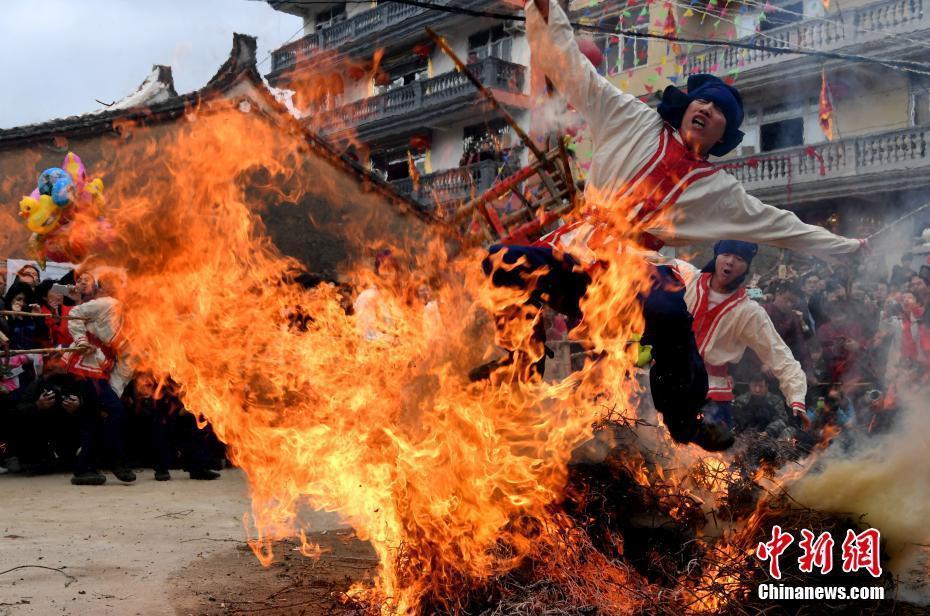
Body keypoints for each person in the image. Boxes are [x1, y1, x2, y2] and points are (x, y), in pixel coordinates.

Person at [477, 0, 866, 451]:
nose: (705, 108)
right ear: (685, 105)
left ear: (723, 135)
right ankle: (521, 368)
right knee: (498, 261)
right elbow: (571, 65)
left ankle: (683, 418)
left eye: (717, 110)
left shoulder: (718, 190)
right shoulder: (629, 116)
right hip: (575, 253)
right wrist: (544, 10)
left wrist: (848, 246)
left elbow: (781, 225)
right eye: (701, 99)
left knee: (667, 310)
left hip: (631, 269)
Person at [662, 241, 809, 448]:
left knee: (701, 465)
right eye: (727, 254)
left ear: (746, 267)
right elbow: (648, 260)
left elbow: (779, 354)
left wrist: (796, 397)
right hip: (666, 383)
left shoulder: (749, 312)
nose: (730, 261)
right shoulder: (688, 277)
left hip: (712, 395)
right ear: (717, 256)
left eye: (739, 259)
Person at [66, 269, 136, 483]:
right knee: (115, 412)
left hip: (102, 373)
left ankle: (84, 468)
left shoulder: (139, 323)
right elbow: (74, 315)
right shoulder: (107, 304)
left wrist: (113, 392)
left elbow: (126, 364)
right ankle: (112, 459)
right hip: (85, 366)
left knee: (95, 417)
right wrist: (80, 341)